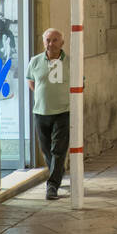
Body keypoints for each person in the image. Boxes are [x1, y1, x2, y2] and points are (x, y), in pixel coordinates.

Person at [26, 27, 70, 201]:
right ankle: (58, 171)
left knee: (58, 150)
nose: (51, 44)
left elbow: (80, 84)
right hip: (41, 112)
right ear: (43, 42)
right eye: (48, 40)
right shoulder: (35, 61)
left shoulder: (70, 62)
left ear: (62, 42)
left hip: (63, 111)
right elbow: (31, 82)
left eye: (55, 40)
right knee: (46, 150)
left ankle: (52, 186)